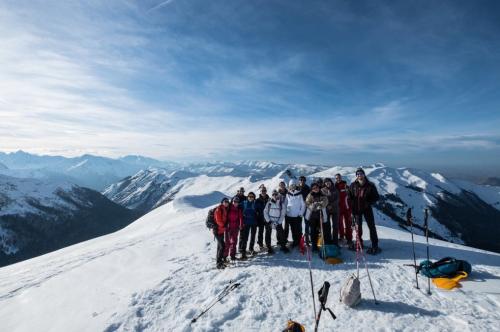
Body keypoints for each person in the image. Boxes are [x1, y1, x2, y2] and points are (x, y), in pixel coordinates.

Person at [349, 168, 380, 254]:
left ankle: (375, 245)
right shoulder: (353, 185)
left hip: (367, 209)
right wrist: (351, 206)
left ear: (364, 175)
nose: (359, 175)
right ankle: (359, 243)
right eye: (358, 174)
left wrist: (368, 202)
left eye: (361, 174)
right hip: (357, 209)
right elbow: (349, 196)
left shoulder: (370, 185)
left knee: (371, 226)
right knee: (358, 228)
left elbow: (376, 197)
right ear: (356, 176)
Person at [305, 182, 329, 251]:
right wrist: (312, 205)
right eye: (314, 188)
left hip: (320, 215)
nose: (315, 189)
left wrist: (320, 204)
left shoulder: (322, 194)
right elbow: (307, 203)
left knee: (321, 230)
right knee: (313, 231)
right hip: (312, 216)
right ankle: (314, 246)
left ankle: (322, 244)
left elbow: (326, 201)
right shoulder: (310, 195)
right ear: (312, 189)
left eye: (317, 187)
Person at [284, 179, 306, 248]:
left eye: (293, 185)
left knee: (298, 229)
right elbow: (285, 204)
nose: (292, 187)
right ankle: (295, 242)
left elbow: (303, 205)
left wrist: (301, 213)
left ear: (296, 185)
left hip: (297, 215)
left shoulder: (299, 193)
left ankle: (299, 241)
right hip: (290, 215)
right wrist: (286, 212)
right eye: (291, 185)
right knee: (293, 229)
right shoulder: (288, 194)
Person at [239, 192, 258, 258]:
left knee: (253, 237)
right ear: (247, 197)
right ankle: (243, 251)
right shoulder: (244, 203)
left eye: (252, 196)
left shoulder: (255, 203)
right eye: (249, 196)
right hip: (246, 223)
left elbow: (261, 209)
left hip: (254, 223)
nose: (250, 197)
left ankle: (251, 249)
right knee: (245, 238)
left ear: (254, 197)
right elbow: (236, 206)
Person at [335, 173, 352, 245]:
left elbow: (350, 196)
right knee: (339, 224)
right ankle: (341, 236)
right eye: (336, 178)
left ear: (341, 178)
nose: (338, 179)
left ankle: (349, 238)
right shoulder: (334, 186)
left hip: (347, 208)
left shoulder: (345, 186)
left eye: (339, 177)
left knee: (348, 224)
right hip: (338, 208)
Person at [224, 196, 243, 260]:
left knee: (234, 242)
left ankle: (232, 256)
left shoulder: (238, 209)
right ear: (232, 202)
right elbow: (225, 216)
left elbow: (240, 218)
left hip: (235, 227)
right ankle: (225, 256)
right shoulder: (228, 208)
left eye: (237, 202)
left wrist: (240, 225)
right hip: (228, 227)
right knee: (227, 242)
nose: (235, 203)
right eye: (234, 201)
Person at [322, 178, 339, 246]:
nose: (327, 183)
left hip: (335, 210)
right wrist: (327, 205)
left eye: (328, 182)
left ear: (331, 182)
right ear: (324, 183)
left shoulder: (335, 189)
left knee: (335, 226)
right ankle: (328, 241)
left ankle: (335, 241)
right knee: (327, 226)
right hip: (326, 210)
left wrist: (331, 205)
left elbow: (337, 199)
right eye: (326, 182)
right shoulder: (322, 190)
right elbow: (322, 199)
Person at [214, 197, 229, 269]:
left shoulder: (225, 209)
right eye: (225, 202)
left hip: (221, 230)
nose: (226, 203)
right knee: (222, 246)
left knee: (219, 246)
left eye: (227, 202)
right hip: (217, 230)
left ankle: (218, 261)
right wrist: (224, 225)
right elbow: (218, 220)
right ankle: (219, 263)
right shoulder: (219, 209)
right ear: (222, 202)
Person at [255, 185, 271, 252]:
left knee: (268, 232)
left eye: (264, 190)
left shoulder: (269, 199)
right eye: (262, 191)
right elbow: (255, 210)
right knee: (260, 232)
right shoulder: (257, 200)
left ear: (266, 191)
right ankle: (260, 244)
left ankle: (268, 244)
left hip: (268, 218)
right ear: (260, 191)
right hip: (260, 218)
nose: (263, 192)